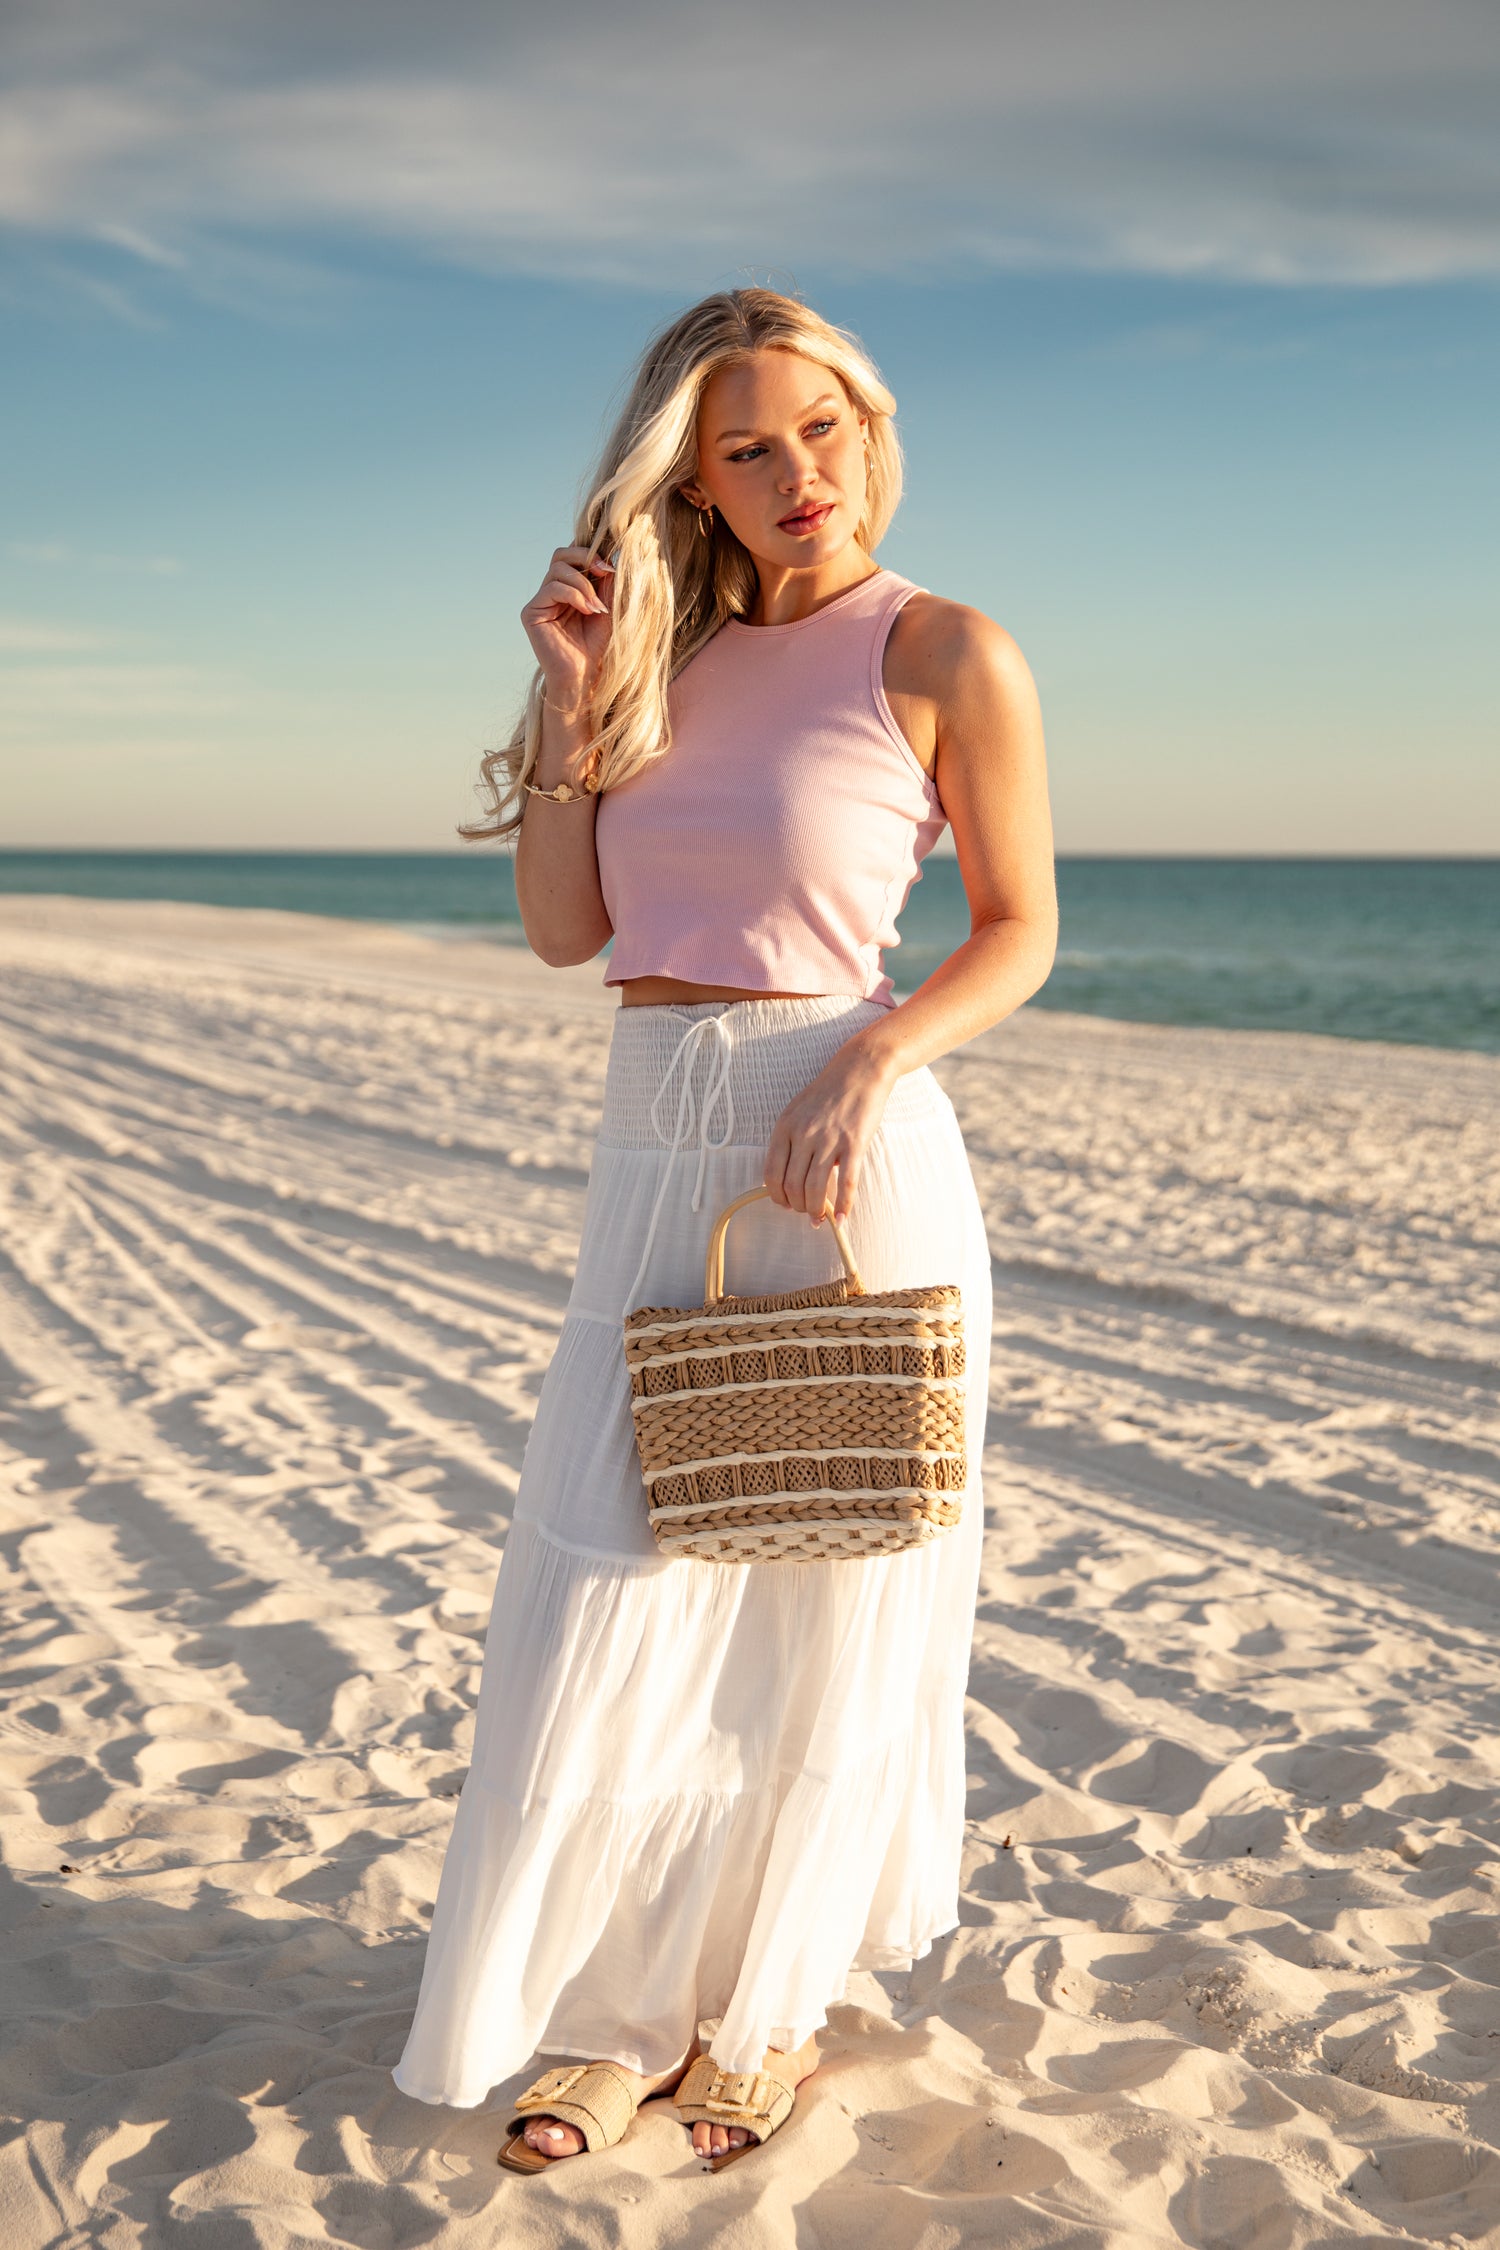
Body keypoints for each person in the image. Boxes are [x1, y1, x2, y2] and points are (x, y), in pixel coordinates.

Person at [391, 286, 1056, 2171]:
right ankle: (609, 2020)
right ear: (687, 472)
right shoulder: (647, 653)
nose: (794, 476)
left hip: (844, 1146)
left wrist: (874, 1067)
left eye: (819, 429)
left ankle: (762, 2009)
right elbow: (561, 927)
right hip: (653, 1147)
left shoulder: (945, 649)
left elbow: (1019, 926)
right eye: (743, 446)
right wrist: (565, 692)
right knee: (614, 1575)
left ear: (871, 423)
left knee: (823, 1596)